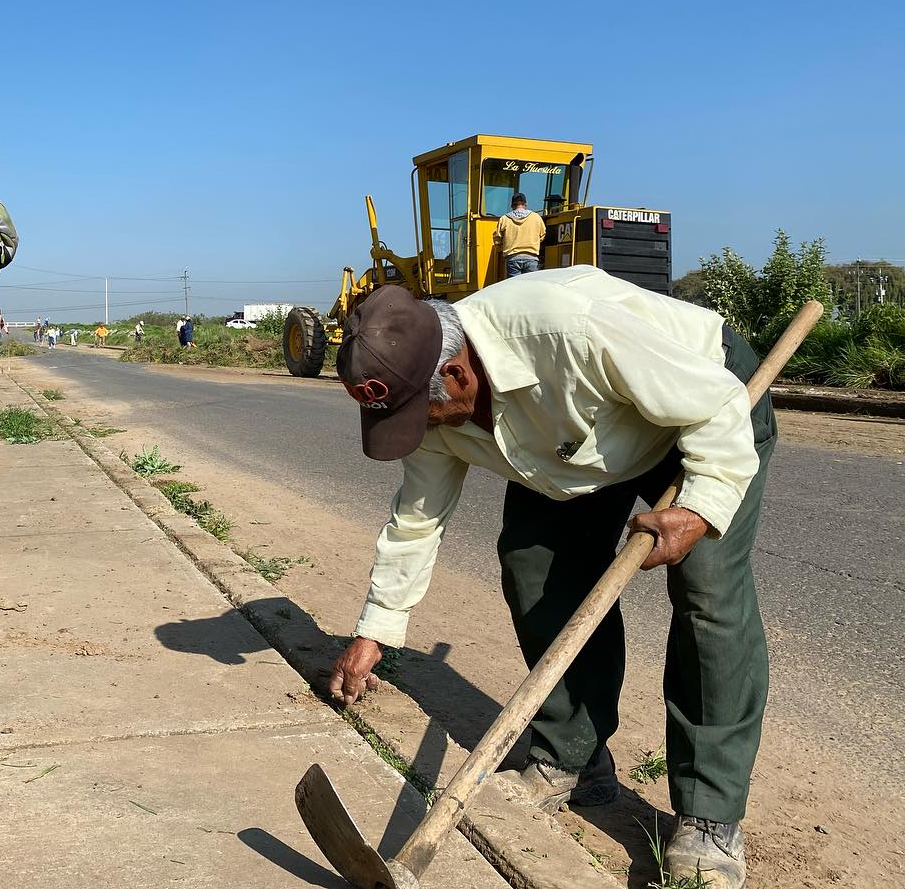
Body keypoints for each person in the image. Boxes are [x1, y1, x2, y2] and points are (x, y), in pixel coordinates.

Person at [327, 270, 776, 889]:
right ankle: (574, 757)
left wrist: (699, 509)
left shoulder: (568, 329)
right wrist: (377, 630)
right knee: (534, 565)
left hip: (702, 407)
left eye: (421, 416)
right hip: (580, 447)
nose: (420, 431)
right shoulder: (428, 406)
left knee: (707, 594)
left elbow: (717, 406)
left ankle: (710, 815)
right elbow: (416, 521)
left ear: (457, 373)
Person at [494, 192, 546, 277]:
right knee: (530, 287)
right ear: (525, 204)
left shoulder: (504, 219)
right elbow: (542, 235)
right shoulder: (536, 217)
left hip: (512, 258)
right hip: (531, 257)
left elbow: (497, 240)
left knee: (515, 287)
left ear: (512, 205)